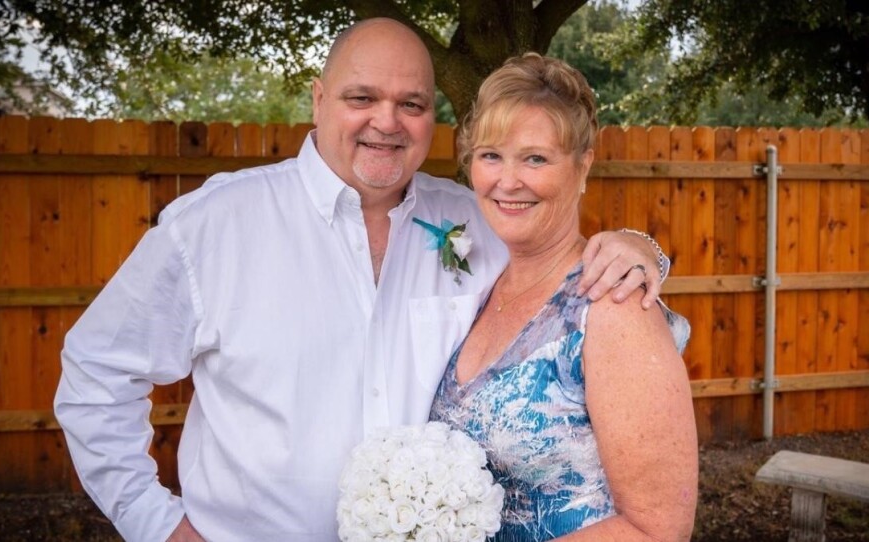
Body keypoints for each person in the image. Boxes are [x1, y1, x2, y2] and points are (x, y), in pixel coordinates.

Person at [54, 19, 669, 542]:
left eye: (412, 104)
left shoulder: (474, 220)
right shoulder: (214, 226)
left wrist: (643, 248)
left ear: (433, 117)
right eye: (361, 98)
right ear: (319, 100)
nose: (387, 121)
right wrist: (158, 525)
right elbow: (96, 372)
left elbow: (561, 277)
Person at [429, 53, 698, 540]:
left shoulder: (612, 306)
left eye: (535, 158)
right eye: (491, 155)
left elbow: (658, 529)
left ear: (582, 166)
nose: (507, 181)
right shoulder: (480, 284)